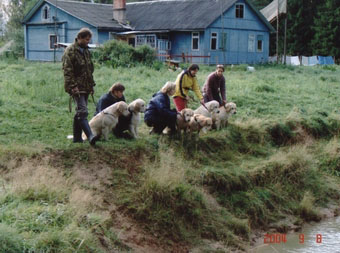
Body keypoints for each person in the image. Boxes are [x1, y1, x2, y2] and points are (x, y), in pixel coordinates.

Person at [62, 27, 99, 145]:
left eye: (89, 39)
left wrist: (91, 85)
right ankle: (90, 136)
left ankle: (77, 138)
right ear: (79, 38)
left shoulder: (87, 51)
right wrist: (73, 86)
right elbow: (67, 70)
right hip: (76, 86)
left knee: (80, 112)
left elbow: (89, 70)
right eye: (86, 39)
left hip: (86, 86)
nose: (88, 41)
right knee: (83, 111)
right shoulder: (70, 51)